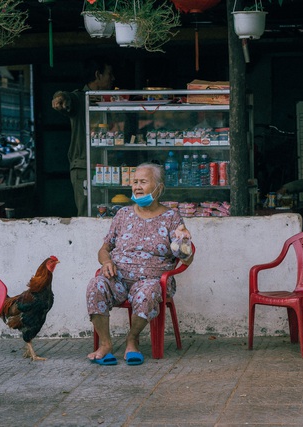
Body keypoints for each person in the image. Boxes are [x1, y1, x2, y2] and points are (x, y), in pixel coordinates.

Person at [86, 162, 193, 365]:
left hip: (152, 281)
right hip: (117, 278)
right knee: (95, 285)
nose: (136, 186)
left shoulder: (171, 217)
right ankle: (106, 344)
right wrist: (106, 261)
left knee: (148, 291)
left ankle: (132, 339)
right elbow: (104, 248)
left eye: (143, 182)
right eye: (134, 182)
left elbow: (186, 257)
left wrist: (184, 244)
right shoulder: (122, 215)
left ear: (158, 188)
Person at [51, 57, 116, 216]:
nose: (112, 78)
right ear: (98, 75)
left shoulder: (108, 99)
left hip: (107, 167)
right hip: (85, 168)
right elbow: (67, 97)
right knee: (87, 214)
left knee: (109, 213)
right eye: (109, 74)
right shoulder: (81, 98)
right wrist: (59, 98)